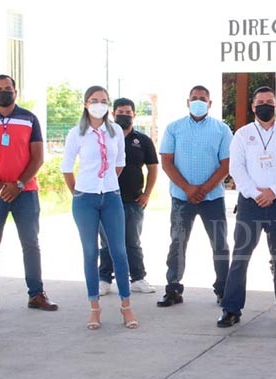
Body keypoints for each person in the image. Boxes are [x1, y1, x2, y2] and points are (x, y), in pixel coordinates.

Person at [0, 74, 57, 316]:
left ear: (15, 92)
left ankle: (36, 294)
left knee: (30, 244)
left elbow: (37, 156)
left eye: (8, 88)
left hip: (25, 192)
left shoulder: (29, 119)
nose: (3, 92)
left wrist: (18, 184)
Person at [218, 86, 276, 328]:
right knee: (241, 257)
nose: (265, 105)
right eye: (260, 102)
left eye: (270, 102)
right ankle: (231, 309)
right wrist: (257, 194)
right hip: (250, 204)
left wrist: (273, 191)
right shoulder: (243, 135)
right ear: (253, 107)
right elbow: (237, 169)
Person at [62, 85, 138, 330]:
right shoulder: (76, 133)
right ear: (85, 104)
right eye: (94, 100)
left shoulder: (115, 131)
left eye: (103, 100)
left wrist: (107, 182)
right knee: (90, 252)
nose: (99, 104)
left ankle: (126, 305)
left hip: (111, 197)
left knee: (119, 250)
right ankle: (94, 307)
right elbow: (66, 167)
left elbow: (119, 163)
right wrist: (79, 191)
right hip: (85, 198)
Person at [157, 85, 232, 307]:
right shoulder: (174, 128)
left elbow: (226, 164)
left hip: (213, 199)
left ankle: (223, 289)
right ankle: (173, 289)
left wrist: (204, 189)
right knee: (177, 243)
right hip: (182, 197)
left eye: (203, 98)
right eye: (194, 98)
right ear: (187, 102)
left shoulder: (222, 129)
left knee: (219, 244)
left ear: (210, 104)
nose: (198, 101)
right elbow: (166, 162)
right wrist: (188, 188)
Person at [97, 98, 158, 296]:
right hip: (106, 199)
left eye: (128, 112)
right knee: (107, 243)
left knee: (132, 241)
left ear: (134, 115)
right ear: (113, 114)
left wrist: (147, 194)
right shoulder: (103, 137)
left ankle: (138, 278)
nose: (124, 115)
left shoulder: (143, 140)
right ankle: (104, 279)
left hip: (133, 201)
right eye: (120, 112)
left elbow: (153, 168)